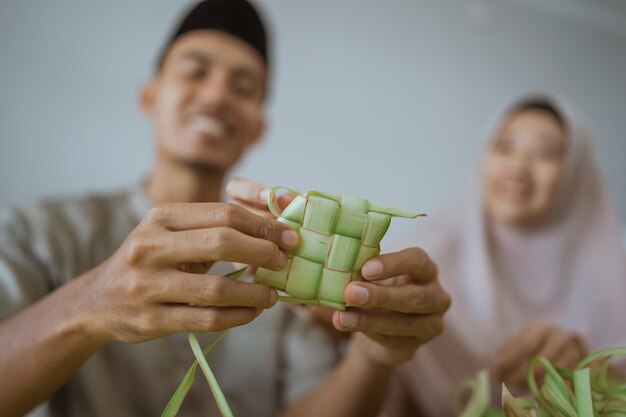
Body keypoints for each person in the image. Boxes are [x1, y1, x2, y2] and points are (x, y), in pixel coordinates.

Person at [0, 1, 450, 417]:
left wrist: (374, 355)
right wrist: (89, 306)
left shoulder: (288, 261)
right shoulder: (36, 231)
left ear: (257, 126)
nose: (216, 96)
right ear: (150, 96)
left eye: (243, 86)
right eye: (195, 72)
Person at [382, 94, 626, 416]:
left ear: (575, 173)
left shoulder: (613, 276)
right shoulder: (423, 258)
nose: (517, 168)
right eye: (504, 147)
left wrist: (585, 371)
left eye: (545, 154)